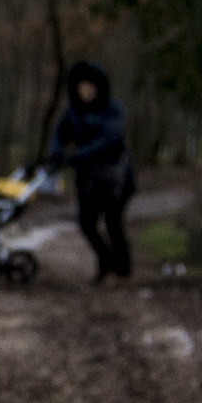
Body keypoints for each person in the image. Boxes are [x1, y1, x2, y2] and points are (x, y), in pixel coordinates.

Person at [47, 59, 136, 283]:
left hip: (115, 177)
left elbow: (108, 139)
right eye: (82, 86)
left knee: (113, 223)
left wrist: (78, 155)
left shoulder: (113, 110)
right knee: (86, 223)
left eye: (90, 86)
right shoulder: (73, 112)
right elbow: (60, 134)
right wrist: (57, 152)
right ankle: (106, 262)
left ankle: (123, 269)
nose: (86, 91)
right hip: (87, 178)